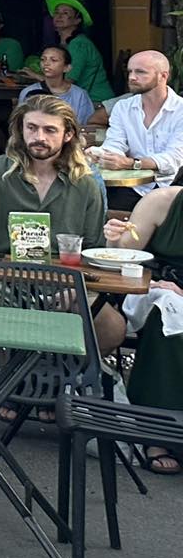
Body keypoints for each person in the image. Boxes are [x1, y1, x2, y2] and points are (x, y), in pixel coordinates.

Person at [0, 95, 109, 310]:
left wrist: (76, 289)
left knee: (112, 328)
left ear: (68, 134)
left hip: (63, 279)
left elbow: (93, 247)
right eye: (31, 128)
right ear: (21, 130)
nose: (39, 137)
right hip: (1, 275)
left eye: (50, 130)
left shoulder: (85, 184)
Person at [107, 186, 183, 468]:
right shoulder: (161, 201)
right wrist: (115, 240)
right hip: (159, 288)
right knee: (171, 319)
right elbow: (122, 255)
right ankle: (159, 433)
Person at [91, 48, 183, 197]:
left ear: (163, 76)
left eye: (140, 72)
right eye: (130, 71)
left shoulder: (180, 110)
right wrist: (102, 154)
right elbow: (115, 143)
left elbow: (175, 158)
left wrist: (130, 163)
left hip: (174, 186)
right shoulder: (122, 107)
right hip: (133, 187)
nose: (132, 77)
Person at [46, 0, 115, 103]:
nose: (59, 16)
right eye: (57, 12)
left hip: (95, 102)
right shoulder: (64, 44)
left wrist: (36, 77)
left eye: (65, 13)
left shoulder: (79, 45)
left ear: (77, 20)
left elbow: (67, 83)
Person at [16, 45, 97, 125]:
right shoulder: (29, 92)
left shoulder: (80, 95)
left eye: (53, 60)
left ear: (67, 68)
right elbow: (21, 125)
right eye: (43, 59)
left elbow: (85, 127)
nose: (46, 63)